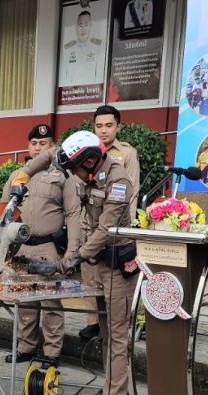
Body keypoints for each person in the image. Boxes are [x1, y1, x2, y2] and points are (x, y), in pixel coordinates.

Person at [20, 130, 137, 395]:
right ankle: (112, 387)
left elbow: (106, 230)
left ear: (90, 160)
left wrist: (74, 257)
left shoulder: (118, 180)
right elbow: (50, 153)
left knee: (118, 335)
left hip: (117, 266)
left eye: (75, 168)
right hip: (98, 264)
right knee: (106, 332)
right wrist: (24, 172)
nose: (73, 174)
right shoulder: (89, 171)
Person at [0, 124, 80, 367]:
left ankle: (52, 353)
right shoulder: (18, 176)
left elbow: (74, 214)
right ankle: (25, 347)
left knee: (51, 303)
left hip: (48, 248)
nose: (37, 147)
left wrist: (71, 251)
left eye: (43, 144)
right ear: (28, 146)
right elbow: (3, 210)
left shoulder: (64, 175)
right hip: (22, 248)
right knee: (25, 301)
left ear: (52, 146)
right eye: (33, 143)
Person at [76, 105, 141, 341]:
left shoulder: (126, 153)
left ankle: (112, 323)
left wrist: (126, 229)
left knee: (111, 283)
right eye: (99, 126)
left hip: (114, 228)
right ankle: (93, 321)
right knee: (89, 277)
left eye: (109, 125)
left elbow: (130, 193)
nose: (103, 130)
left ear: (118, 126)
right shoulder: (86, 152)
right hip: (89, 225)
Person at [61, 10, 104, 87]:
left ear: (91, 26)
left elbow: (100, 77)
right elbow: (64, 77)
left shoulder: (98, 48)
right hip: (72, 94)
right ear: (76, 27)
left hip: (91, 94)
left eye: (86, 25)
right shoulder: (68, 50)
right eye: (80, 25)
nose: (83, 29)